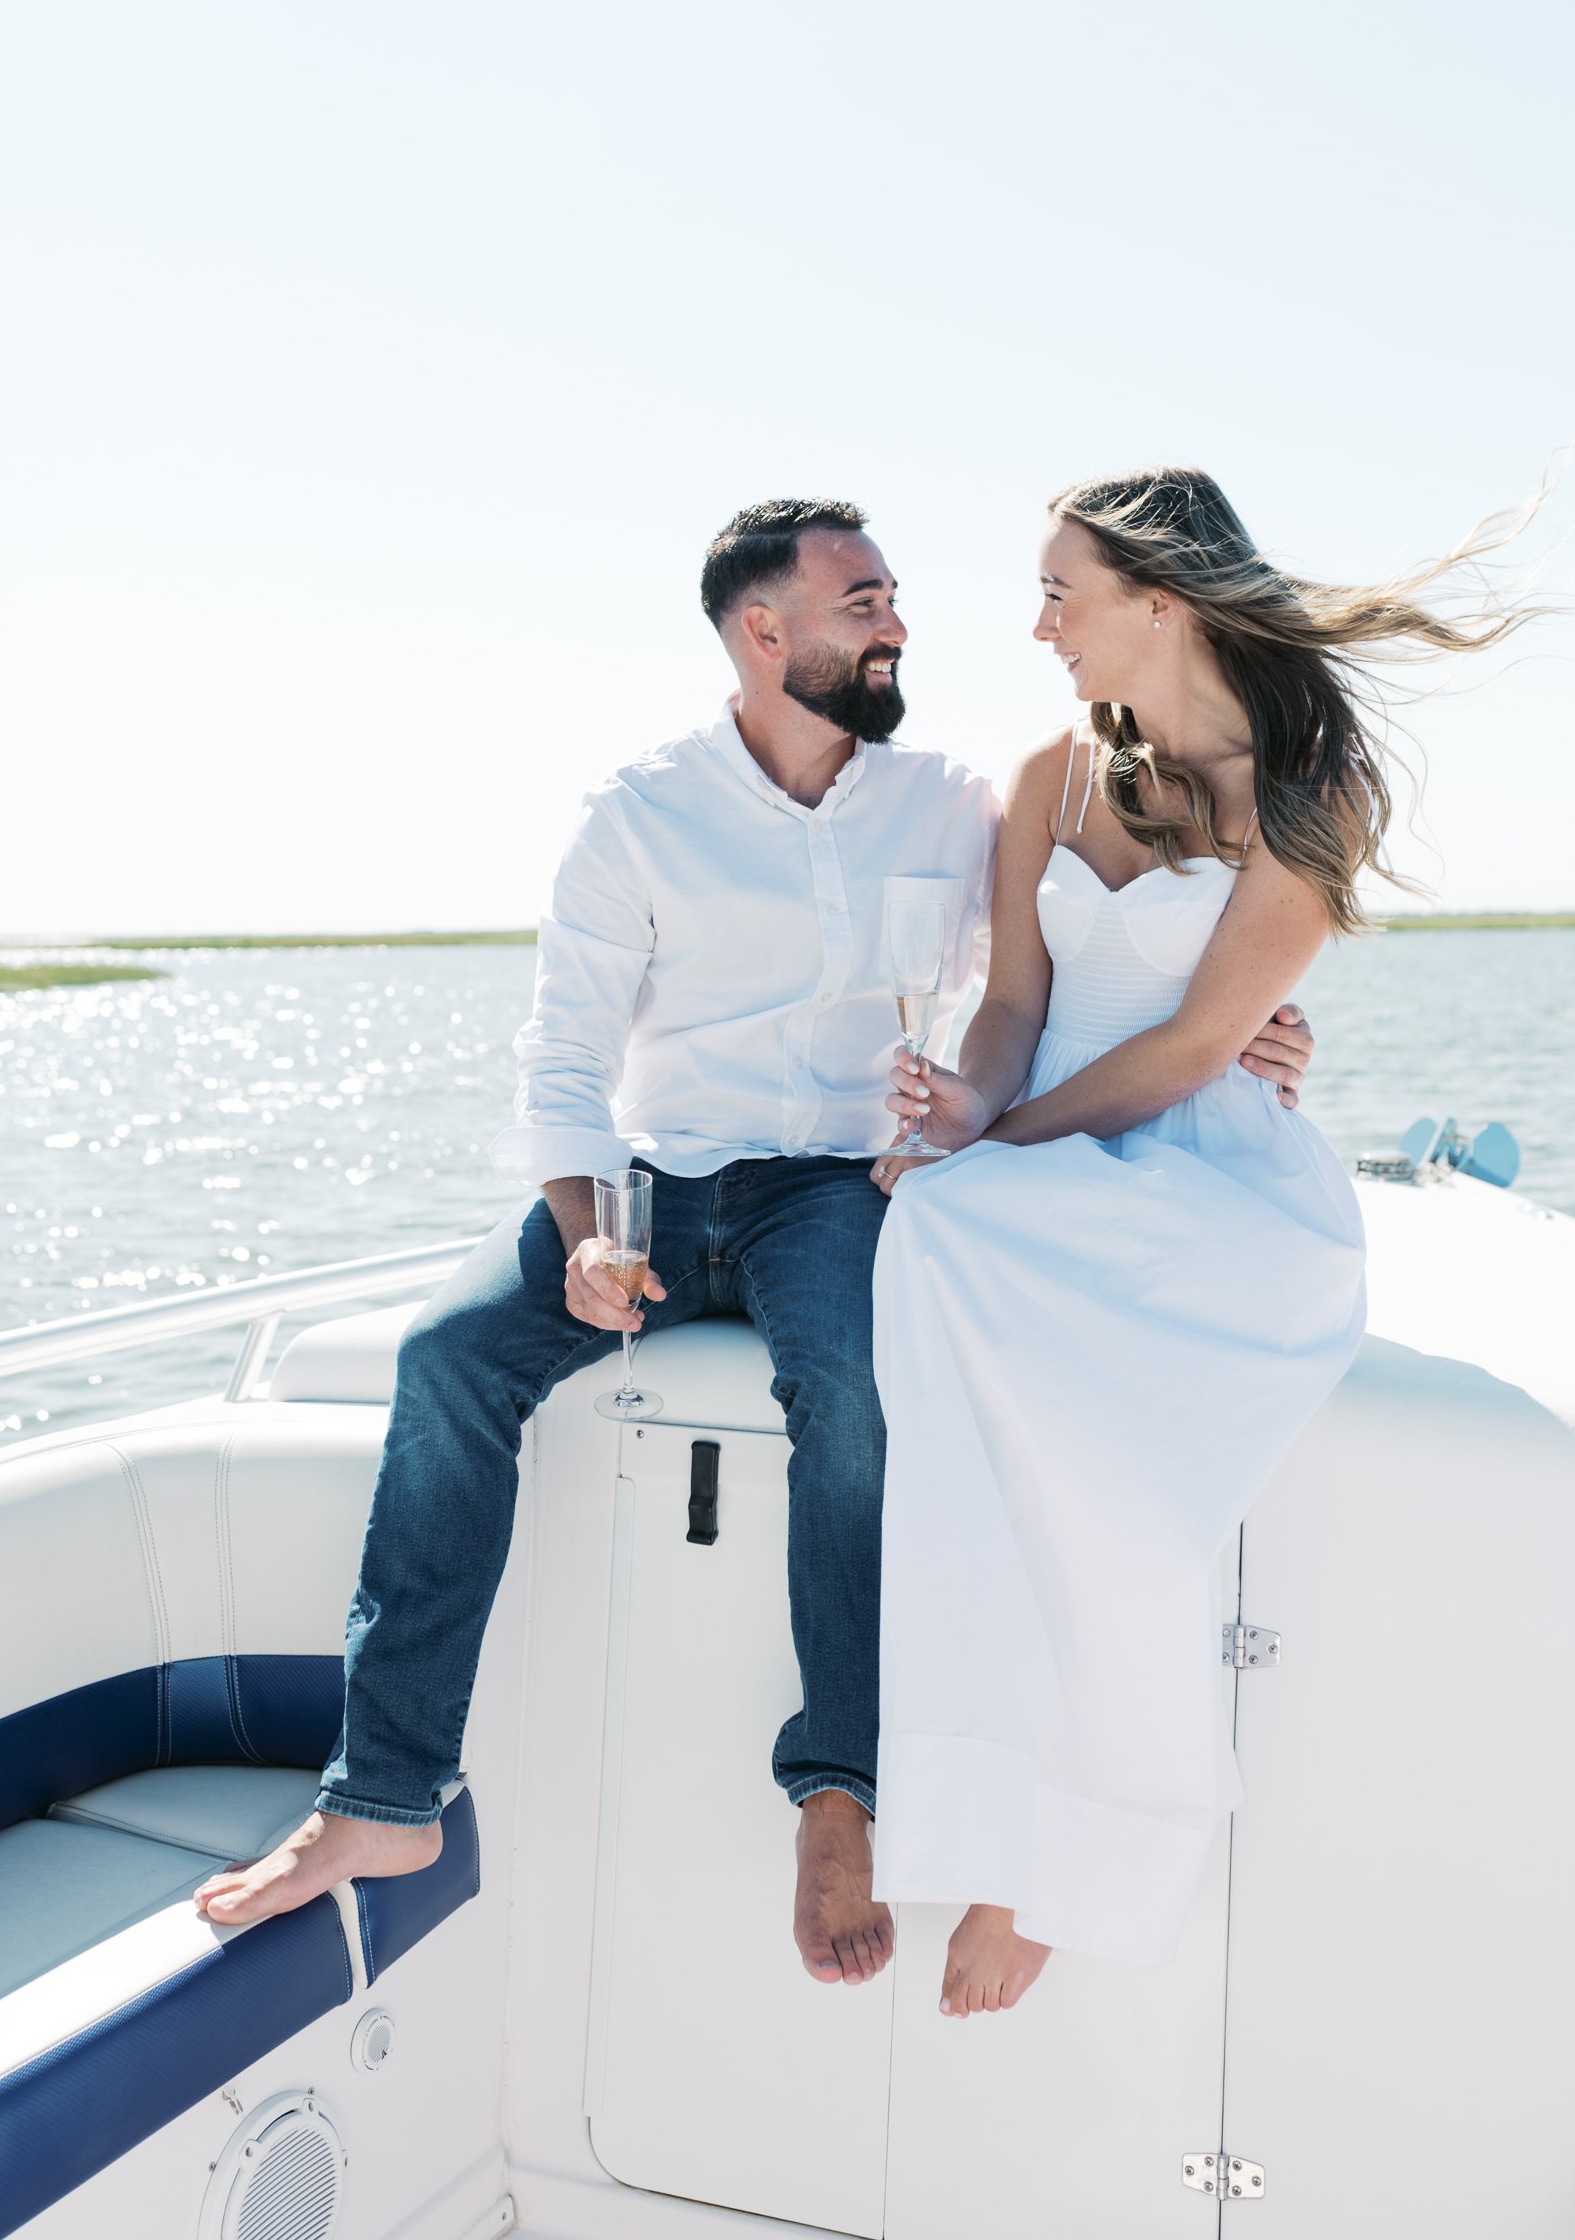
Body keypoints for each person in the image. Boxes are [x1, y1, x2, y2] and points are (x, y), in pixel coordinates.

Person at [194, 496, 1314, 1983]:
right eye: (864, 604)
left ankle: (836, 1796)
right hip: (654, 1182)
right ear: (763, 631)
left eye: (895, 596)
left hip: (829, 1190)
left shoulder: (956, 805)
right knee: (446, 1358)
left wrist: (1252, 1034)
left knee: (853, 1397)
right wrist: (587, 1235)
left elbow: (1057, 984)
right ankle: (385, 1796)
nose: (898, 623)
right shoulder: (637, 815)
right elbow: (564, 1063)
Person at [866, 466, 1530, 2018]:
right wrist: (969, 1096)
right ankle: (989, 1814)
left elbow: (1187, 1058)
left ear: (1157, 603)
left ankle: (1062, 1858)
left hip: (1205, 1179)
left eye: (1058, 593)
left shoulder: (1308, 792)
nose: (1037, 626)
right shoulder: (1055, 770)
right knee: (938, 1266)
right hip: (1044, 1148)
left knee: (961, 1254)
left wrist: (988, 1151)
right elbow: (1018, 1004)